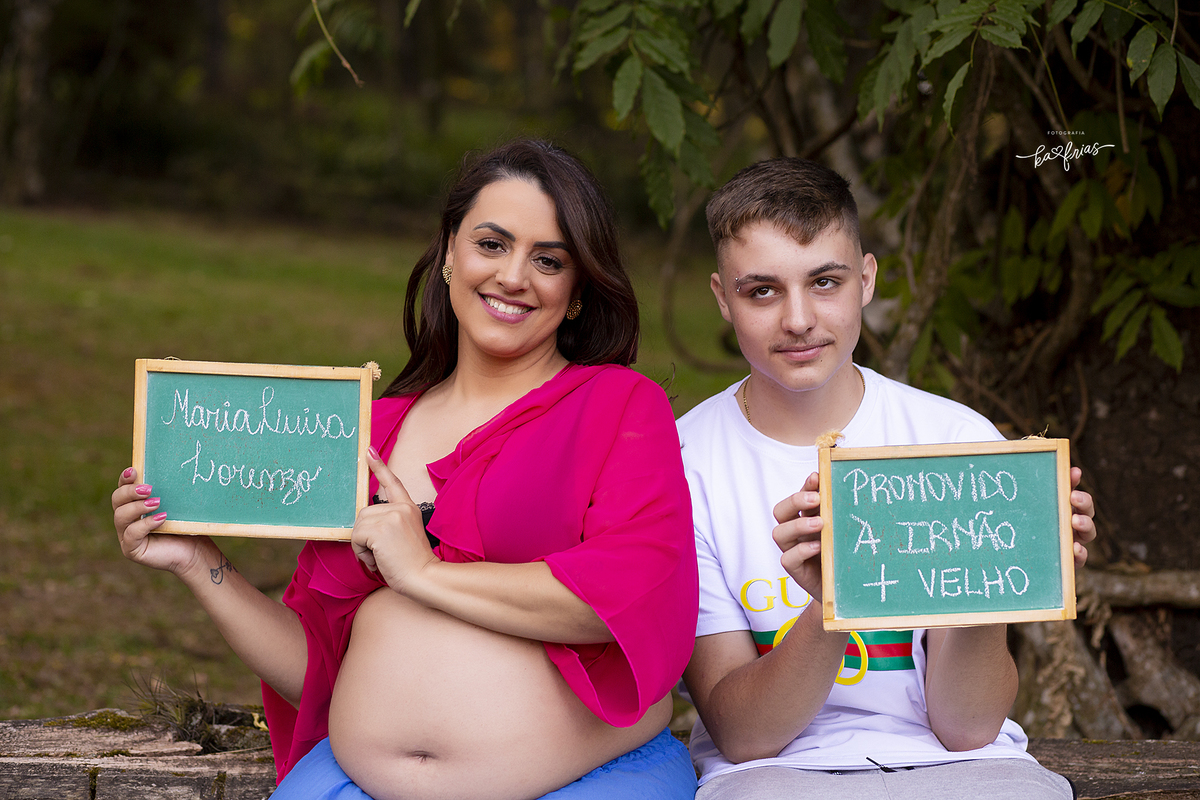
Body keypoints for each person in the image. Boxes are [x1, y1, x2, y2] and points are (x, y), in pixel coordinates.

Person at [112, 139, 699, 800]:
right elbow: (319, 672)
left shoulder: (618, 406)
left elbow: (626, 597)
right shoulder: (367, 431)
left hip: (582, 783)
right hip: (351, 785)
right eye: (492, 244)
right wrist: (199, 563)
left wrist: (422, 572)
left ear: (577, 291)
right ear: (449, 253)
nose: (513, 277)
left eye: (548, 260)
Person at [675, 157, 1098, 800]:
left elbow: (968, 728)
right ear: (722, 298)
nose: (797, 319)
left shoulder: (957, 442)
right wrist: (832, 601)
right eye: (761, 290)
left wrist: (999, 567)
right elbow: (743, 735)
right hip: (771, 776)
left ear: (867, 279)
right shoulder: (683, 462)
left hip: (962, 769)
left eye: (825, 282)